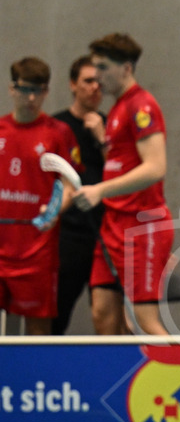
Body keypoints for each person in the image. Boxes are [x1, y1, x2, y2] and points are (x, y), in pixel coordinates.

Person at [72, 33, 173, 335]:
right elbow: (121, 163)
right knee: (103, 313)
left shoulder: (142, 106)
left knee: (146, 322)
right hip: (113, 225)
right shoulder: (116, 109)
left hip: (142, 226)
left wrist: (99, 190)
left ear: (126, 69)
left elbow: (156, 167)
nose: (97, 77)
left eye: (103, 68)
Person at [0, 57, 81, 335]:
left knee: (37, 336)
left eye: (39, 90)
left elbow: (70, 185)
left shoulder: (58, 133)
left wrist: (56, 208)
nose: (31, 97)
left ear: (46, 91)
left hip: (38, 252)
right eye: (24, 89)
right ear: (12, 89)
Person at [52, 55, 107, 335]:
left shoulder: (112, 127)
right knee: (55, 316)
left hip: (106, 235)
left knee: (106, 316)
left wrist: (102, 138)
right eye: (88, 81)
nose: (95, 87)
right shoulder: (55, 127)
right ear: (73, 85)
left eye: (99, 82)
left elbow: (124, 176)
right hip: (68, 236)